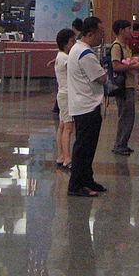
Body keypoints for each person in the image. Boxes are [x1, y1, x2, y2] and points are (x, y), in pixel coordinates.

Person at [67, 17, 107, 197]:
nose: (102, 37)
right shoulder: (85, 54)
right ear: (90, 33)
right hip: (87, 106)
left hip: (82, 104)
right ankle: (76, 185)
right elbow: (101, 77)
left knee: (87, 146)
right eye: (101, 33)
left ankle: (87, 179)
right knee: (83, 147)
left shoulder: (77, 48)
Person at [109, 19, 138, 156]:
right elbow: (116, 65)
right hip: (123, 86)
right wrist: (133, 66)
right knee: (125, 115)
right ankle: (119, 144)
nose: (130, 32)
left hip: (129, 84)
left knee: (129, 116)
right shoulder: (117, 46)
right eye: (128, 29)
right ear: (121, 31)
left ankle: (123, 143)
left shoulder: (126, 46)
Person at [54, 28, 76, 170]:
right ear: (66, 43)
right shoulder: (66, 58)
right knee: (68, 127)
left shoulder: (60, 56)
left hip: (62, 94)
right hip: (67, 95)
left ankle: (61, 155)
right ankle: (67, 158)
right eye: (72, 41)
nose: (74, 43)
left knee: (62, 126)